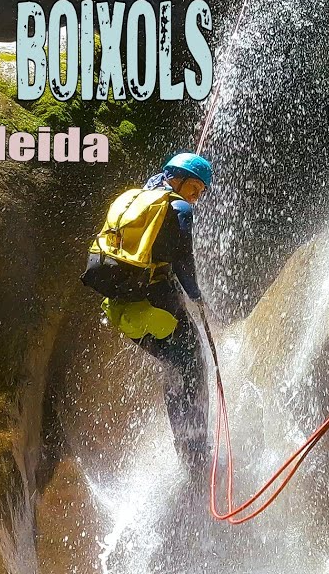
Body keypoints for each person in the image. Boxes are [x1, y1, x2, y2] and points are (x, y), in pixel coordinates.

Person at [83, 153, 214, 481]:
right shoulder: (179, 209)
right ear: (177, 179)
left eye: (200, 192)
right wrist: (196, 296)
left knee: (175, 366)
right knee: (194, 364)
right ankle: (196, 449)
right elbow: (183, 261)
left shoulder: (139, 198)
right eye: (195, 188)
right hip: (158, 305)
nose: (196, 197)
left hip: (124, 308)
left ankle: (185, 449)